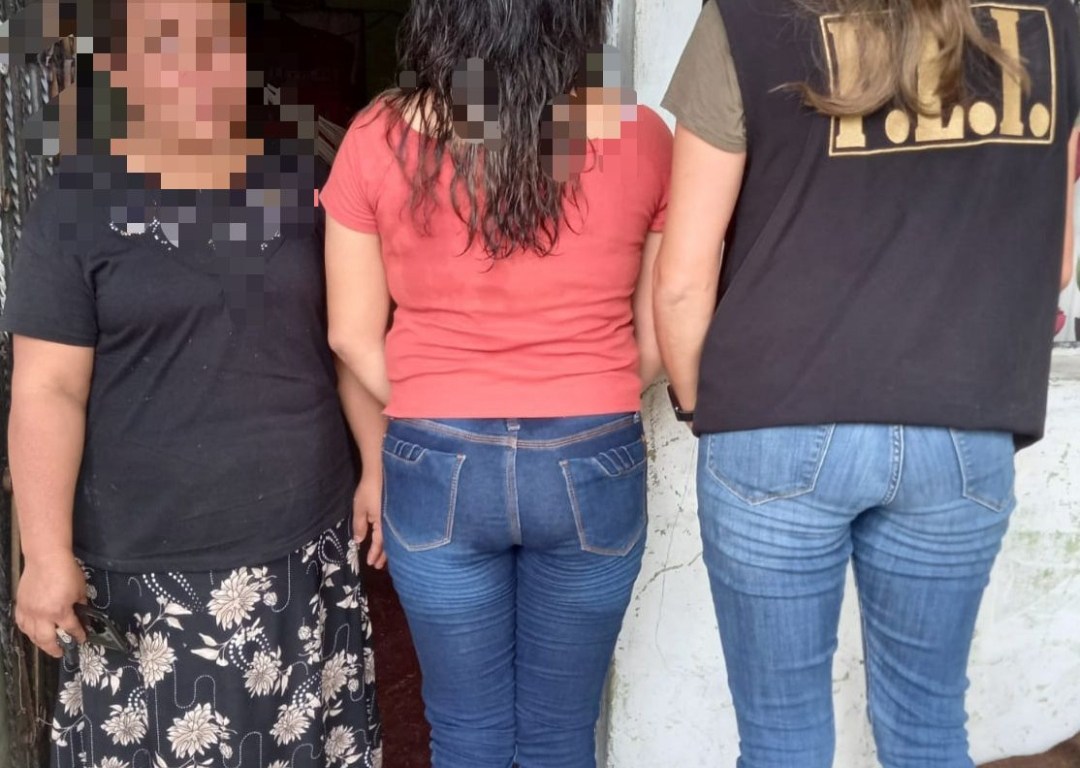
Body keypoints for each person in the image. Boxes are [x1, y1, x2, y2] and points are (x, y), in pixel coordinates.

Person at [654, 0, 1078, 766]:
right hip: (962, 421)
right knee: (928, 730)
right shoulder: (1057, 26)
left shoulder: (747, 18)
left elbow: (682, 282)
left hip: (774, 421)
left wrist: (698, 409)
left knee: (781, 742)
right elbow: (1056, 264)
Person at [2, 1, 382, 766]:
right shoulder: (76, 207)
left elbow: (349, 340)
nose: (200, 69)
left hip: (302, 553)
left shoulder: (303, 182)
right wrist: (43, 554)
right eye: (168, 46)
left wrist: (376, 464)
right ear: (118, 67)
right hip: (145, 573)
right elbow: (46, 390)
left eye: (219, 43)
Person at [320, 1, 672, 765]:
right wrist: (592, 388)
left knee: (467, 733)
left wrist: (430, 399)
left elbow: (349, 333)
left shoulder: (376, 136)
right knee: (560, 734)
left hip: (436, 457)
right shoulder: (641, 133)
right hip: (592, 454)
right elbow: (662, 331)